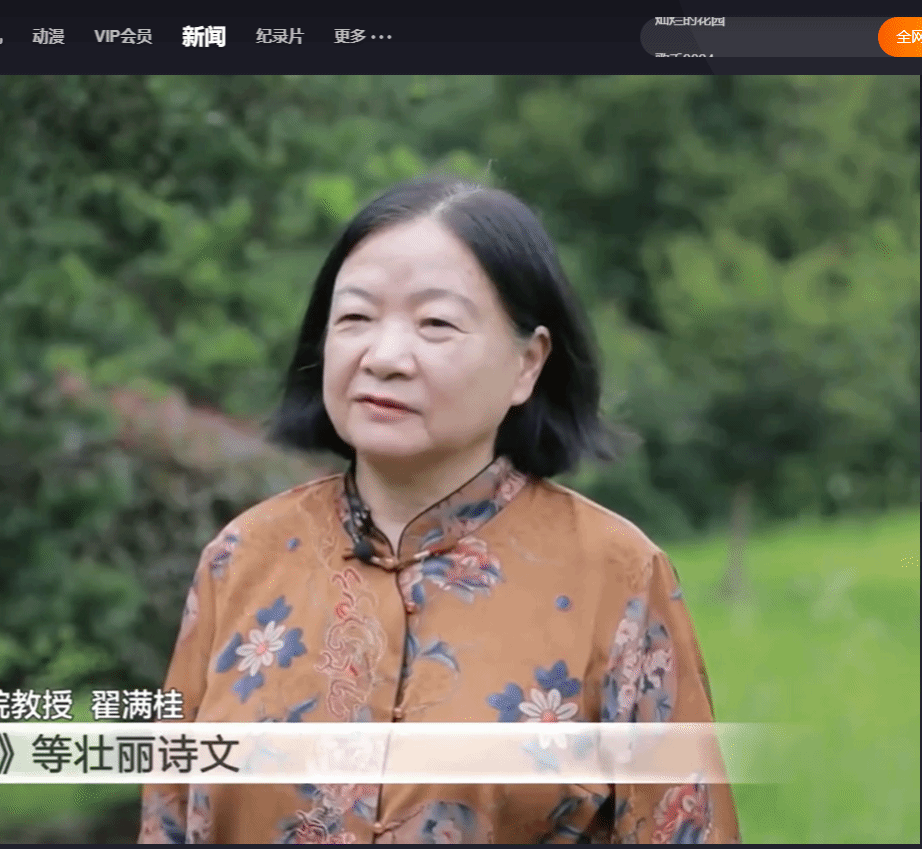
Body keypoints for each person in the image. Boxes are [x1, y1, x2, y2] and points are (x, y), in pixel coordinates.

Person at [137, 176, 741, 843]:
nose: (385, 357)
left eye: (436, 324)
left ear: (527, 363)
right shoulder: (242, 558)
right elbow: (170, 817)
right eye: (356, 318)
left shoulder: (615, 575)